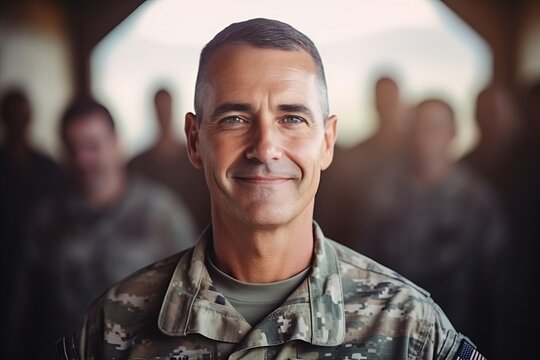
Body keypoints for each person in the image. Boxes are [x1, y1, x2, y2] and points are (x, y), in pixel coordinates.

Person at [47, 19, 484, 360]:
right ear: (195, 140)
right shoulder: (111, 329)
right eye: (235, 119)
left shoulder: (409, 329)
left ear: (327, 142)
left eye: (292, 118)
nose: (265, 147)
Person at [18, 99, 197, 358]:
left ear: (116, 145)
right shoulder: (45, 220)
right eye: (72, 148)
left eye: (92, 146)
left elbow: (194, 300)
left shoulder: (161, 214)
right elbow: (22, 311)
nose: (82, 160)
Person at [349, 99, 504, 357]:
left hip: (458, 343)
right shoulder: (383, 193)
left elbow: (497, 286)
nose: (424, 137)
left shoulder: (477, 201)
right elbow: (362, 269)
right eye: (418, 128)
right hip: (392, 340)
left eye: (435, 128)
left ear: (453, 134)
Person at [0, 88, 64, 359]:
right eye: (12, 115)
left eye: (22, 115)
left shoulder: (49, 169)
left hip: (41, 277)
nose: (17, 122)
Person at [129, 88, 210, 231]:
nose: (163, 113)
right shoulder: (138, 164)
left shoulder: (197, 159)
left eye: (166, 107)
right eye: (160, 108)